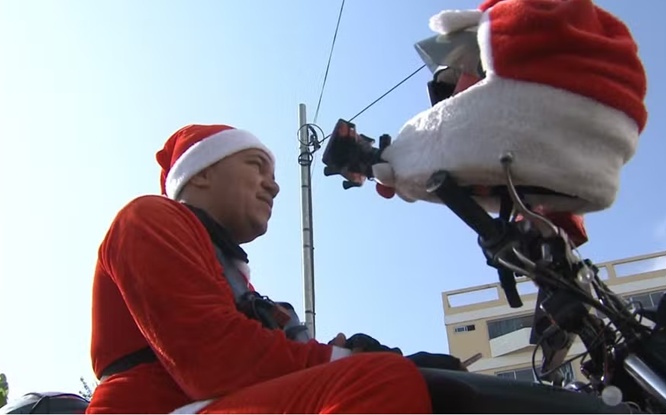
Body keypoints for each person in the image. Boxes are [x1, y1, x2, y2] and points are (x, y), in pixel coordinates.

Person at [87, 124, 434, 414]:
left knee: (438, 386)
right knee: (380, 381)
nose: (275, 185)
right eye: (256, 166)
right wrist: (339, 359)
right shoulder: (149, 219)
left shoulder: (237, 283)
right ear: (202, 173)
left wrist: (339, 354)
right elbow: (215, 359)